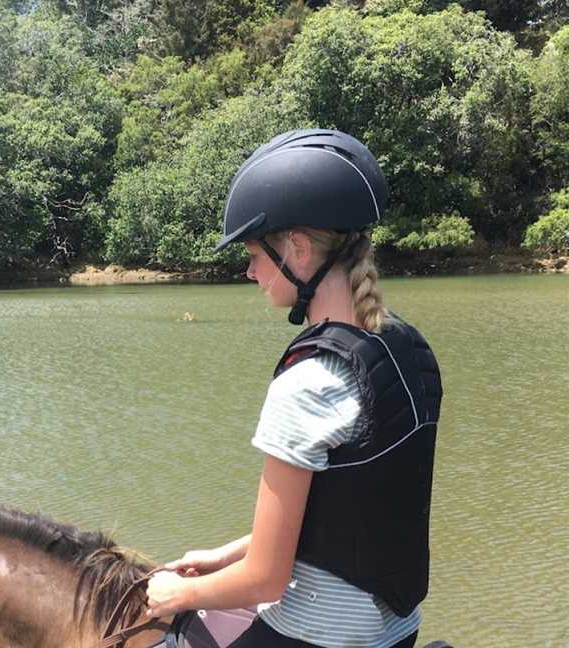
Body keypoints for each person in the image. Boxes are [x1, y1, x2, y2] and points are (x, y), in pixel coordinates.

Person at [146, 129, 442, 648]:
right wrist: (222, 557)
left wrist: (176, 595)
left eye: (256, 254)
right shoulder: (407, 349)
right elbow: (347, 512)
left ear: (299, 250)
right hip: (396, 630)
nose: (249, 270)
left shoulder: (308, 383)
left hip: (317, 635)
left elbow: (266, 580)